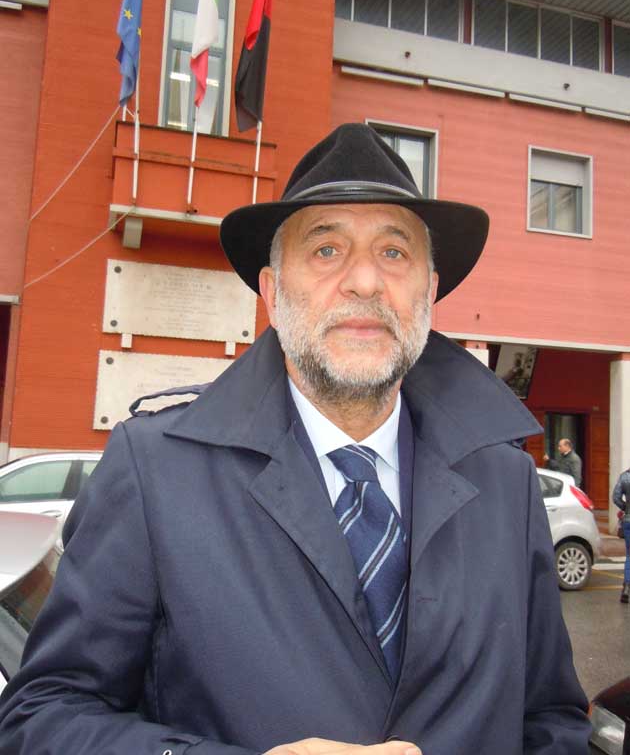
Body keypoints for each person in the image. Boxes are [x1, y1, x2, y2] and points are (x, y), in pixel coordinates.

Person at [0, 124, 590, 754]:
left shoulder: (505, 481)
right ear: (272, 292)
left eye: (394, 253)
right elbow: (42, 717)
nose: (365, 282)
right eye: (326, 249)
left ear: (431, 291)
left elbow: (551, 720)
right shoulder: (155, 473)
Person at [612, 467, 630, 603]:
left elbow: (616, 497)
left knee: (629, 555)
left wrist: (625, 507)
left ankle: (626, 588)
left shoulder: (624, 476)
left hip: (628, 521)